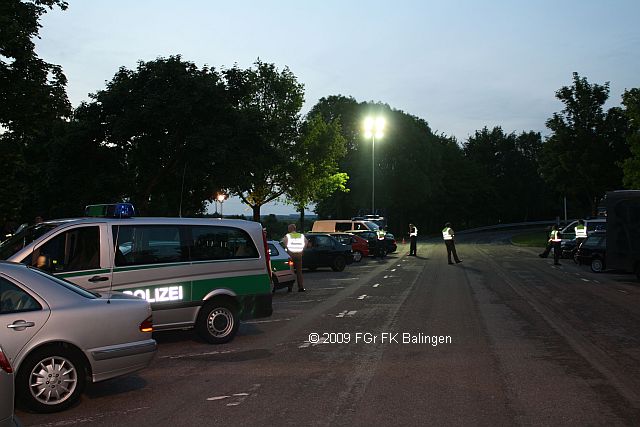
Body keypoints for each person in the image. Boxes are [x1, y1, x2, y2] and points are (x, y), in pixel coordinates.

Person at [283, 224, 307, 292]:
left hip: (290, 255)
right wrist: (302, 250)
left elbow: (284, 243)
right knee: (299, 272)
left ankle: (290, 287)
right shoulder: (301, 235)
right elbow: (306, 242)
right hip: (299, 255)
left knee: (291, 271)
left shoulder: (288, 236)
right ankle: (301, 287)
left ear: (290, 229)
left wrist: (287, 249)